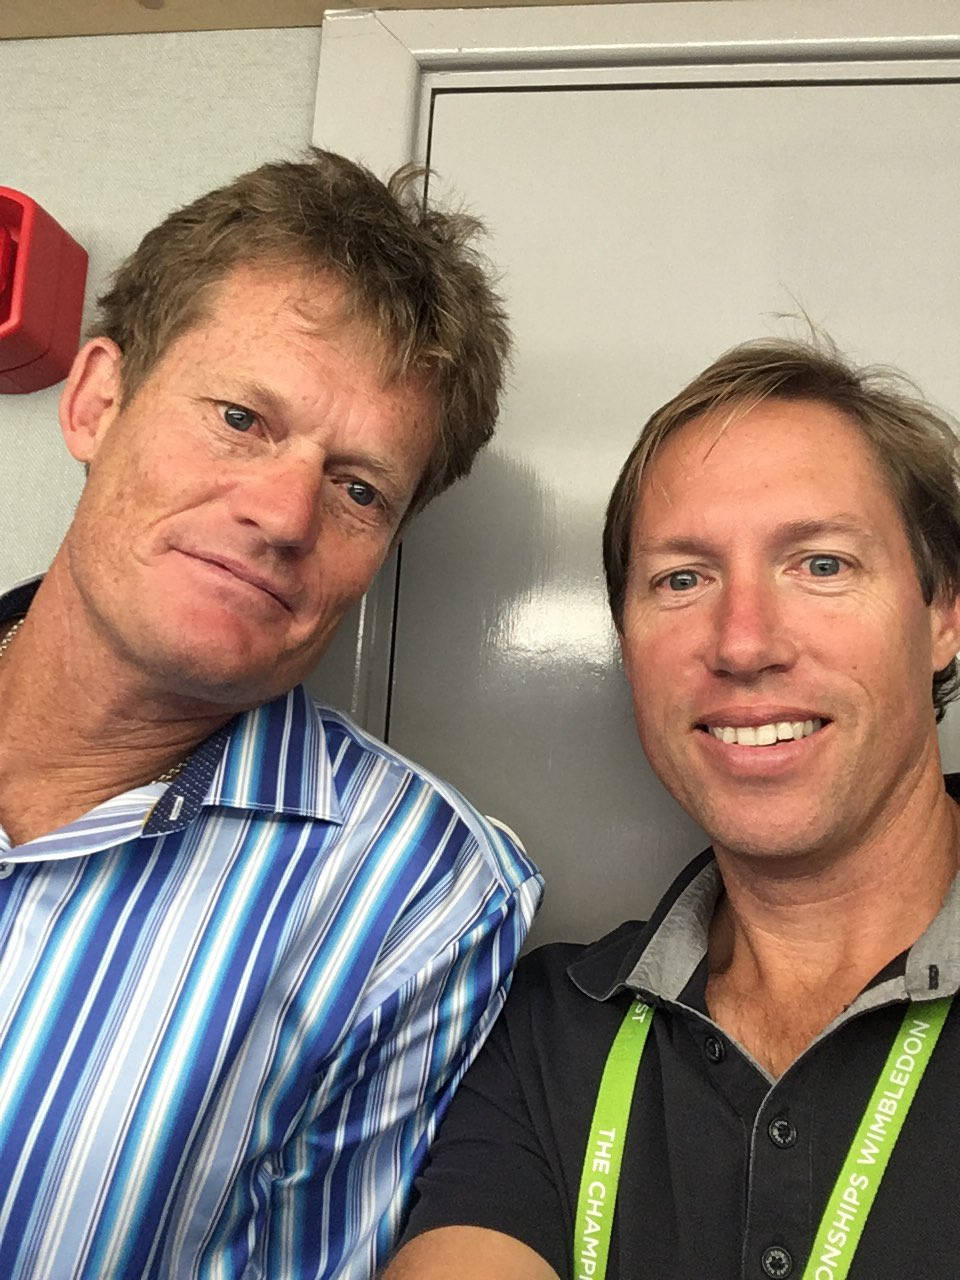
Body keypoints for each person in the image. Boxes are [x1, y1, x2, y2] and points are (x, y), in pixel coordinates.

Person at [0, 149, 541, 1280]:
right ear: (99, 399)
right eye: (242, 417)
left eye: (359, 488)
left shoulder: (424, 893)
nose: (284, 511)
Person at [386, 337, 960, 1280]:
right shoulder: (547, 1031)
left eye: (820, 564)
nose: (742, 644)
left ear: (940, 613)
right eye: (682, 579)